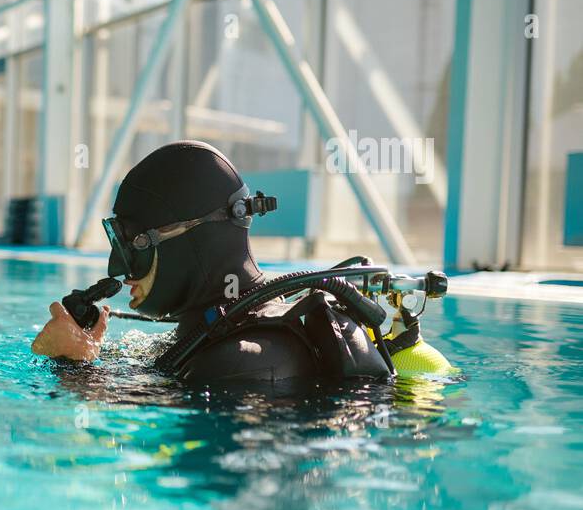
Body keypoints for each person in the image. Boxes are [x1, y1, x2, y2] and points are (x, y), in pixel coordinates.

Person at [32, 140, 453, 385]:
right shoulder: (221, 330)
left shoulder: (242, 360)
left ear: (191, 238)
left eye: (134, 243)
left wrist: (72, 370)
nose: (117, 269)